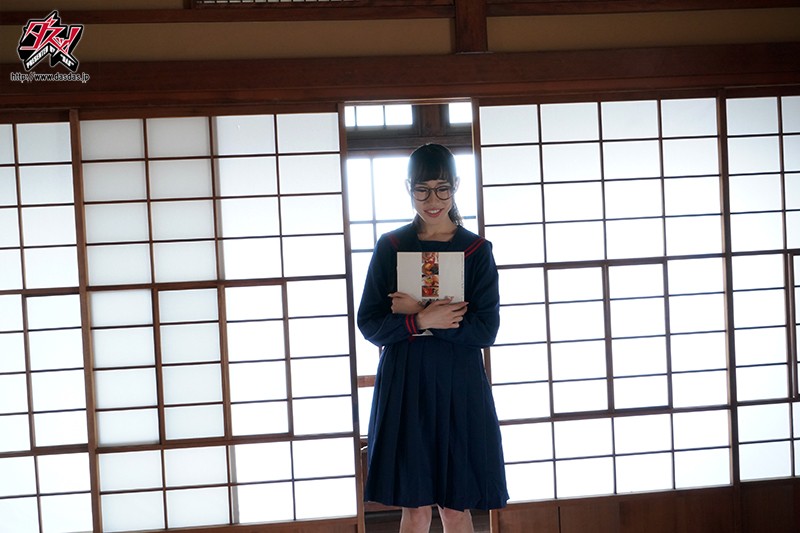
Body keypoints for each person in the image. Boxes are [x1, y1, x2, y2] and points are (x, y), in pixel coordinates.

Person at [358, 143, 508, 532]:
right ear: (408, 188)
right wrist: (423, 318)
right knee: (415, 507)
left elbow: (486, 330)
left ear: (456, 186)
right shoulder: (391, 246)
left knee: (456, 507)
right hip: (405, 382)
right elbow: (369, 323)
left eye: (442, 189)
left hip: (460, 382)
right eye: (422, 190)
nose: (432, 200)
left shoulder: (476, 250)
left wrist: (418, 314)